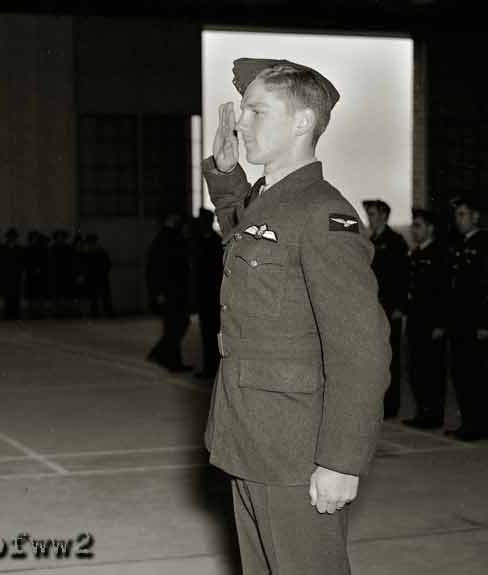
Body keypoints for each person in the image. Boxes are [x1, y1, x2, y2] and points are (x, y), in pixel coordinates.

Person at [201, 58, 390, 575]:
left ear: (303, 121)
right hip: (251, 437)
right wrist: (225, 175)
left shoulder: (325, 215)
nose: (241, 123)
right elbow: (245, 234)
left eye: (257, 111)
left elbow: (361, 347)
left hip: (296, 452)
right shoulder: (271, 200)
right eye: (243, 111)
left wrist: (340, 460)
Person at [445, 197, 488, 441]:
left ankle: (479, 425)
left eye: (463, 214)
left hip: (476, 324)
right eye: (456, 215)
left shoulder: (485, 246)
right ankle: (468, 422)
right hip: (459, 322)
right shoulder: (459, 245)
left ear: (475, 217)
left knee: (477, 375)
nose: (458, 219)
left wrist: (487, 323)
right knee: (461, 373)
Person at [362, 199, 409, 419]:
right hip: (373, 308)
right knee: (375, 357)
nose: (369, 218)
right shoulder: (370, 240)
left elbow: (402, 277)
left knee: (391, 358)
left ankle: (391, 406)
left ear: (383, 216)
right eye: (368, 214)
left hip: (390, 309)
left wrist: (399, 306)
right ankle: (379, 403)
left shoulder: (395, 242)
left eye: (372, 214)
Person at [403, 208, 448, 429]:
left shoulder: (439, 255)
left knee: (432, 370)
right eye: (413, 225)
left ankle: (433, 415)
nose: (414, 229)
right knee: (416, 368)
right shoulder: (416, 254)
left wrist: (441, 322)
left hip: (431, 323)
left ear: (430, 229)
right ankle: (422, 412)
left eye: (419, 225)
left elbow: (444, 292)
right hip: (416, 320)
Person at [145, 213, 193, 372]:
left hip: (171, 290)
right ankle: (170, 359)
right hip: (172, 290)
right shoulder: (168, 239)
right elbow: (158, 268)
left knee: (175, 324)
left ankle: (161, 354)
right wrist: (158, 292)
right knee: (176, 324)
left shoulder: (166, 238)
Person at [193, 208, 224, 381]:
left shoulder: (213, 243)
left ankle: (213, 369)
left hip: (213, 296)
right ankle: (209, 368)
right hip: (205, 295)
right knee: (206, 334)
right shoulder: (204, 241)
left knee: (212, 334)